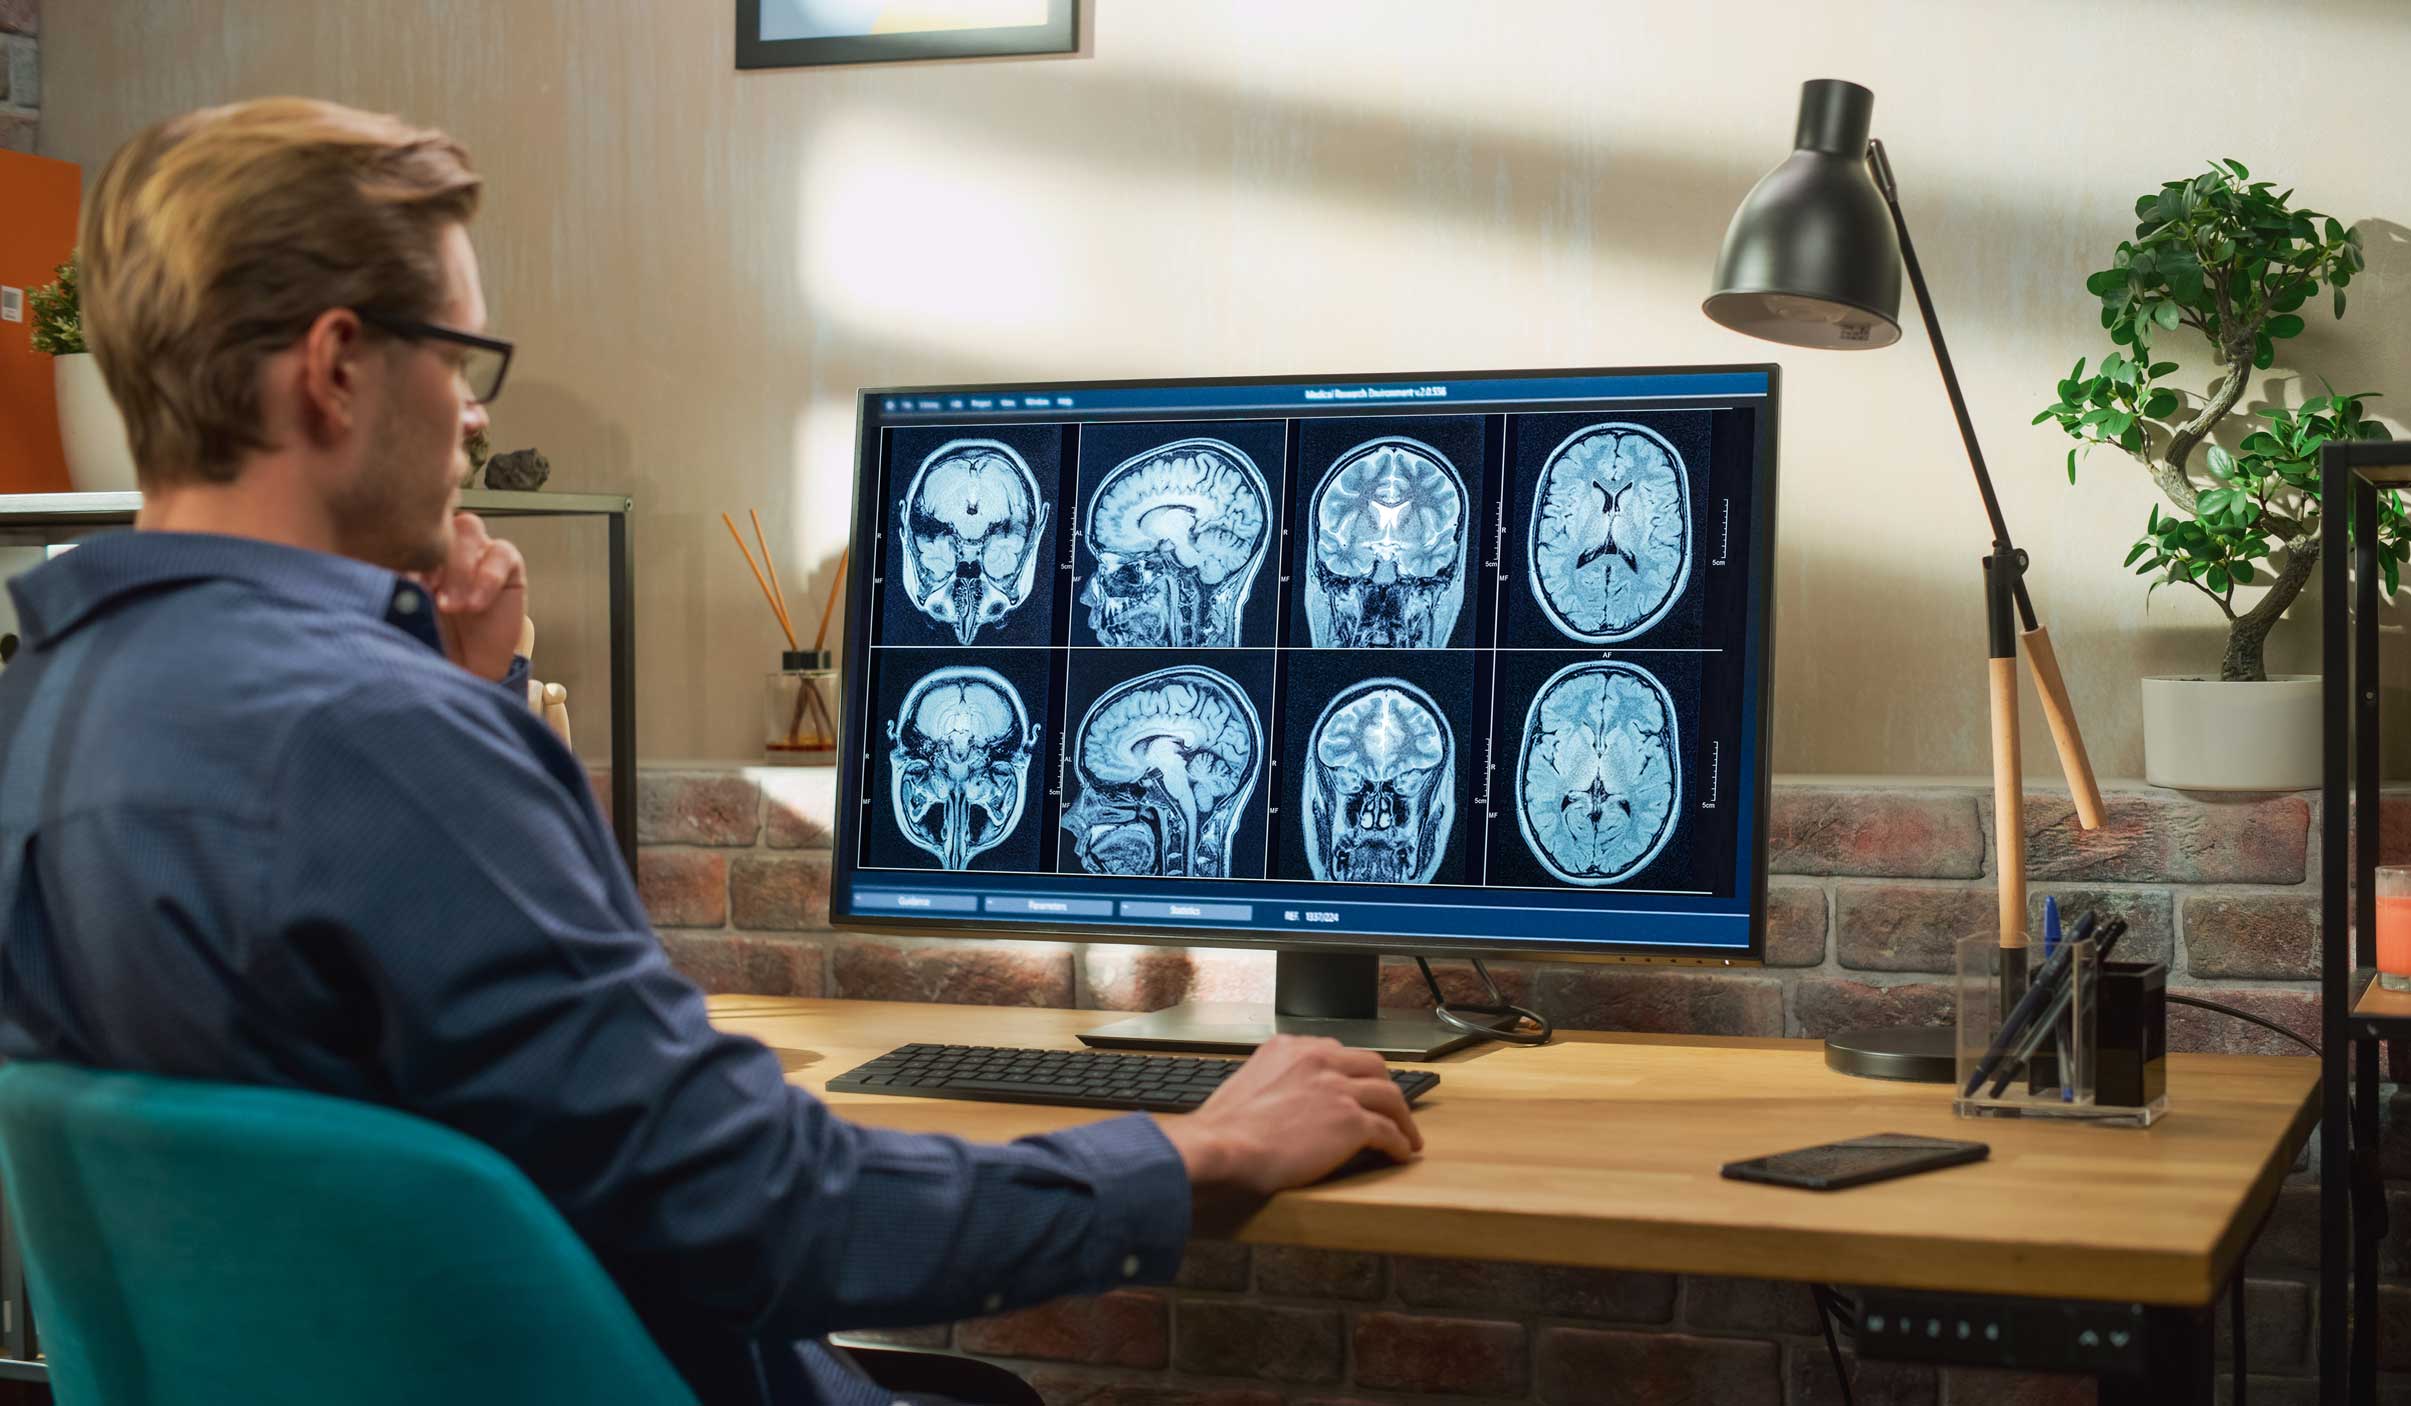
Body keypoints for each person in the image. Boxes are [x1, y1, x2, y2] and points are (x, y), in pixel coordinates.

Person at [0, 98, 1423, 1406]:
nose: (477, 411)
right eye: (462, 358)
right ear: (335, 368)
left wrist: (458, 700)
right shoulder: (383, 743)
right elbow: (773, 1213)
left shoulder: (52, 706)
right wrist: (1195, 1150)